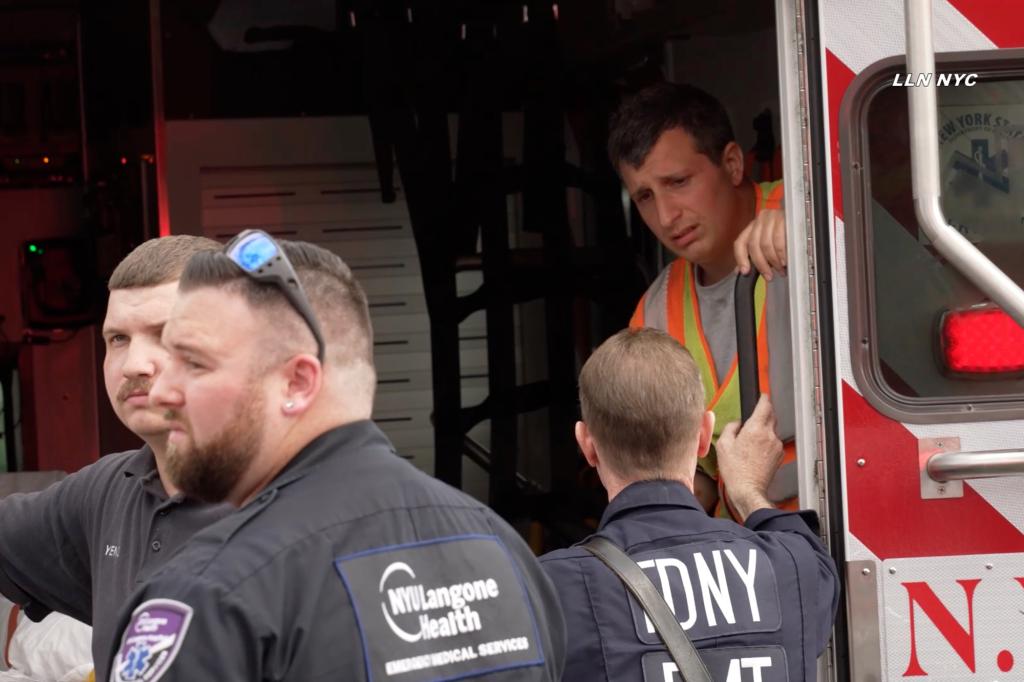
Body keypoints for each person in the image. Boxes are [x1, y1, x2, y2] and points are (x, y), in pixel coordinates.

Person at [102, 232, 566, 681]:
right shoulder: (505, 552)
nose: (162, 390)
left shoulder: (210, 593)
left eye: (195, 363)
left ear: (297, 383)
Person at [539, 328, 839, 681]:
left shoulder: (549, 590)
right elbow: (805, 554)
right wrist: (748, 492)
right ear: (703, 435)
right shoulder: (794, 565)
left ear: (586, 444)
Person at [0, 236, 232, 674]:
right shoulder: (109, 492)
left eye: (164, 335)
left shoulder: (315, 504)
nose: (133, 364)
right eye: (119, 338)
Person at [611, 82, 796, 516]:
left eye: (677, 182)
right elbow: (692, 473)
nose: (665, 216)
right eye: (645, 197)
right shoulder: (654, 311)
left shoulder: (818, 211)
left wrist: (817, 225)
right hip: (750, 556)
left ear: (732, 164)